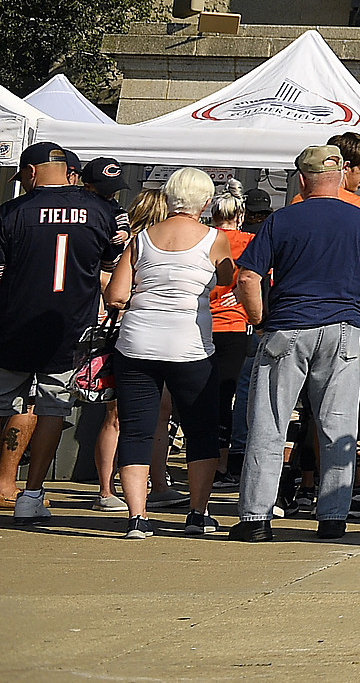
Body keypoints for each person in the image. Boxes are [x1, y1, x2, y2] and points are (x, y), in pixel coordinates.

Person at [233, 145, 360, 541]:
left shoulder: (282, 220)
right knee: (337, 426)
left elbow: (247, 278)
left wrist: (260, 321)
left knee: (268, 424)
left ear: (302, 180)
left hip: (287, 326)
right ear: (341, 176)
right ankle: (333, 516)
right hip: (342, 328)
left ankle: (256, 517)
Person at [100, 168, 234, 538]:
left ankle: (137, 518)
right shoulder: (214, 239)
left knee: (136, 430)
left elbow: (115, 295)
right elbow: (227, 279)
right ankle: (197, 513)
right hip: (189, 346)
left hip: (137, 343)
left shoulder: (141, 239)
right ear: (206, 203)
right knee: (201, 430)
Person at [2, 142, 120, 527]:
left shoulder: (11, 212)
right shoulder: (104, 212)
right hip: (72, 327)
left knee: (6, 404)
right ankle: (32, 493)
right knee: (54, 406)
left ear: (31, 172)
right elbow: (111, 265)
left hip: (14, 325)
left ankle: (10, 483)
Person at [204, 189, 255, 484]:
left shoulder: (204, 239)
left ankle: (200, 460)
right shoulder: (249, 242)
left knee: (198, 397)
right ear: (240, 215)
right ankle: (221, 465)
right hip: (234, 326)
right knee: (227, 397)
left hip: (200, 323)